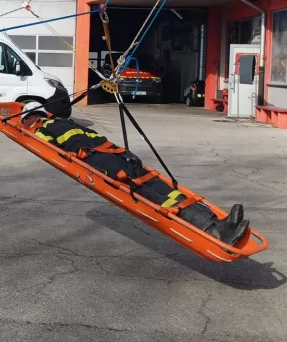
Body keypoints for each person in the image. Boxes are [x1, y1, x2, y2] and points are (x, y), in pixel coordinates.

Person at [22, 102, 249, 245]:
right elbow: (52, 150)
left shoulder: (56, 123)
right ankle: (213, 231)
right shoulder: (45, 128)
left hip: (115, 155)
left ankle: (219, 222)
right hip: (101, 160)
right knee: (152, 195)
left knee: (164, 188)